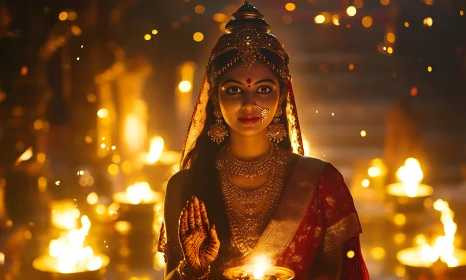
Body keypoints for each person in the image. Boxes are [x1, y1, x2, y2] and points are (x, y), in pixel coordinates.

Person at [157, 2, 369, 279]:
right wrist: (193, 269)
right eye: (234, 90)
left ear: (281, 99)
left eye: (264, 89)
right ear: (214, 99)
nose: (249, 103)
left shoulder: (321, 183)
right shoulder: (184, 186)